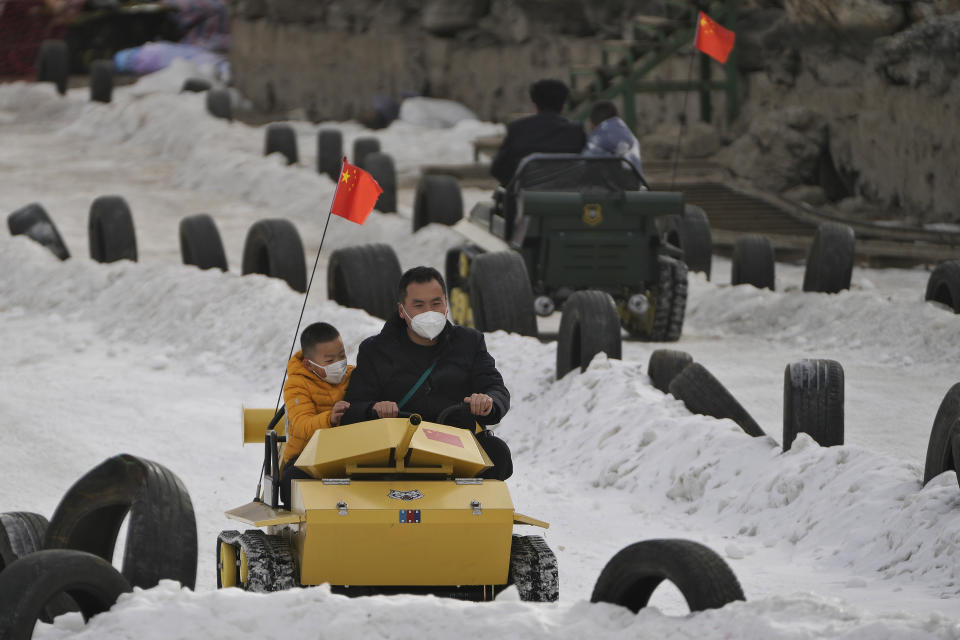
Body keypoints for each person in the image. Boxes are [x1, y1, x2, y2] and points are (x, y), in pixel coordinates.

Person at [340, 266, 513, 479]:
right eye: (419, 305)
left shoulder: (470, 342)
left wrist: (488, 402)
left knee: (498, 454)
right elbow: (351, 408)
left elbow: (496, 388)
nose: (429, 312)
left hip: (457, 449)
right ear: (402, 310)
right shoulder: (375, 349)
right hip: (394, 453)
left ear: (446, 305)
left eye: (436, 303)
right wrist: (373, 409)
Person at [279, 321, 353, 506]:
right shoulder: (296, 385)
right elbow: (302, 424)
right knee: (294, 480)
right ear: (309, 364)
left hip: (350, 455)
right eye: (329, 361)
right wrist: (330, 418)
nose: (339, 364)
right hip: (306, 459)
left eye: (342, 356)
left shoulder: (354, 375)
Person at [490, 78, 586, 186]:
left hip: (524, 198)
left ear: (535, 105)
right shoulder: (576, 131)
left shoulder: (517, 129)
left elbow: (497, 169)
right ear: (563, 106)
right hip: (567, 197)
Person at [583, 100, 644, 178]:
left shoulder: (596, 139)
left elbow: (584, 168)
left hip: (607, 187)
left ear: (592, 124)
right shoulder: (632, 138)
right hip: (636, 187)